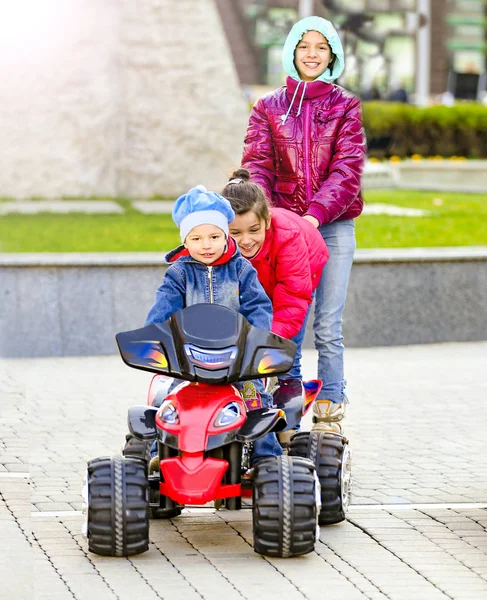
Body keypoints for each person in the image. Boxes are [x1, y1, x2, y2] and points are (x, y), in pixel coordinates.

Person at [242, 16, 366, 433]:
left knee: (328, 324)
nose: (312, 54)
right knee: (287, 314)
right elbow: (257, 166)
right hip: (282, 228)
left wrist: (313, 217)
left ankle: (331, 404)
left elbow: (347, 170)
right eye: (304, 46)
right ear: (291, 52)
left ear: (332, 55)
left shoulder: (345, 105)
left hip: (331, 225)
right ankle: (286, 399)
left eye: (321, 47)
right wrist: (271, 218)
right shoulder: (267, 107)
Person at [145, 185, 282, 464]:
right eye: (196, 238)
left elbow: (259, 307)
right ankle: (158, 458)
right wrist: (153, 335)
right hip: (190, 360)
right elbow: (163, 308)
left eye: (213, 236)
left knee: (257, 401)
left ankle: (266, 460)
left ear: (224, 236)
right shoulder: (178, 274)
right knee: (165, 401)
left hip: (237, 359)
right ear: (185, 241)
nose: (205, 245)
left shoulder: (241, 269)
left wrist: (258, 338)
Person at [222, 168, 329, 430]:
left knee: (284, 353)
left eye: (254, 230)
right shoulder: (214, 240)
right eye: (235, 233)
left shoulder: (288, 238)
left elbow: (293, 300)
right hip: (255, 282)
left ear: (267, 221)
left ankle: (288, 426)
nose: (246, 240)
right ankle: (243, 400)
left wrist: (265, 343)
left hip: (298, 274)